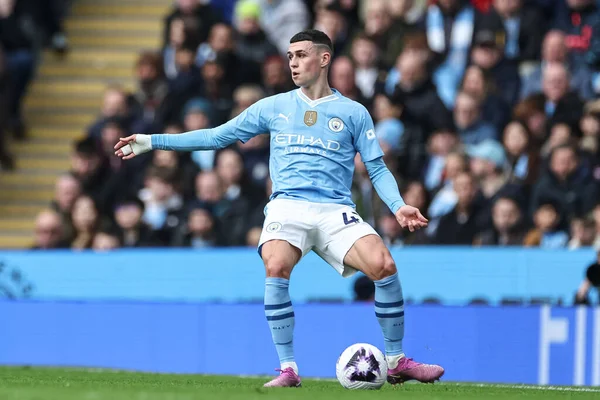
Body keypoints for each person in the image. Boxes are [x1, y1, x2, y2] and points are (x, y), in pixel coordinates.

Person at [114, 29, 443, 388]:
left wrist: (398, 206)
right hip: (288, 206)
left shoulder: (353, 112)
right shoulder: (275, 106)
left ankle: (395, 361)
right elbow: (216, 136)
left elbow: (376, 167)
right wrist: (151, 141)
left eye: (301, 55)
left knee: (384, 264)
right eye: (289, 56)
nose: (293, 63)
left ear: (324, 58)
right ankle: (288, 369)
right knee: (276, 265)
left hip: (335, 209)